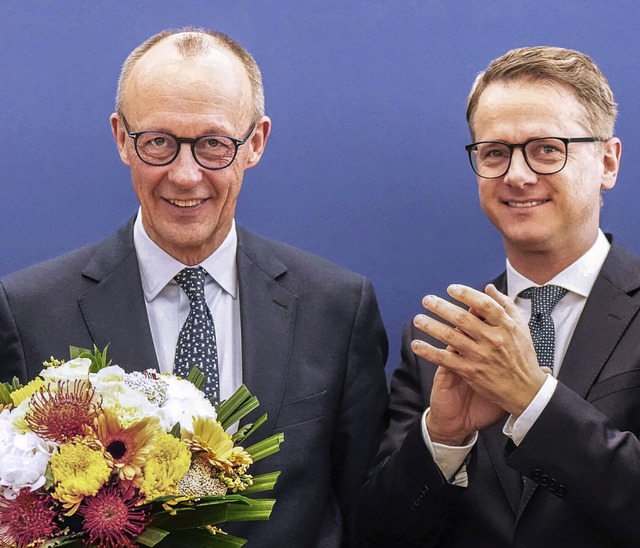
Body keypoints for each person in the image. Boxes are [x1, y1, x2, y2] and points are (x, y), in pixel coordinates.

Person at [0, 28, 389, 547]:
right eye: (158, 142)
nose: (185, 175)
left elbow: (368, 513)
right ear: (121, 139)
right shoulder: (28, 312)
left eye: (213, 144)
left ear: (255, 143)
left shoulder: (338, 308)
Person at [352, 46, 640, 547]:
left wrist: (533, 401)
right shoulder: (442, 340)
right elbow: (379, 535)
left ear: (608, 163)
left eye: (547, 148)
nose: (517, 175)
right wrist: (442, 439)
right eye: (495, 153)